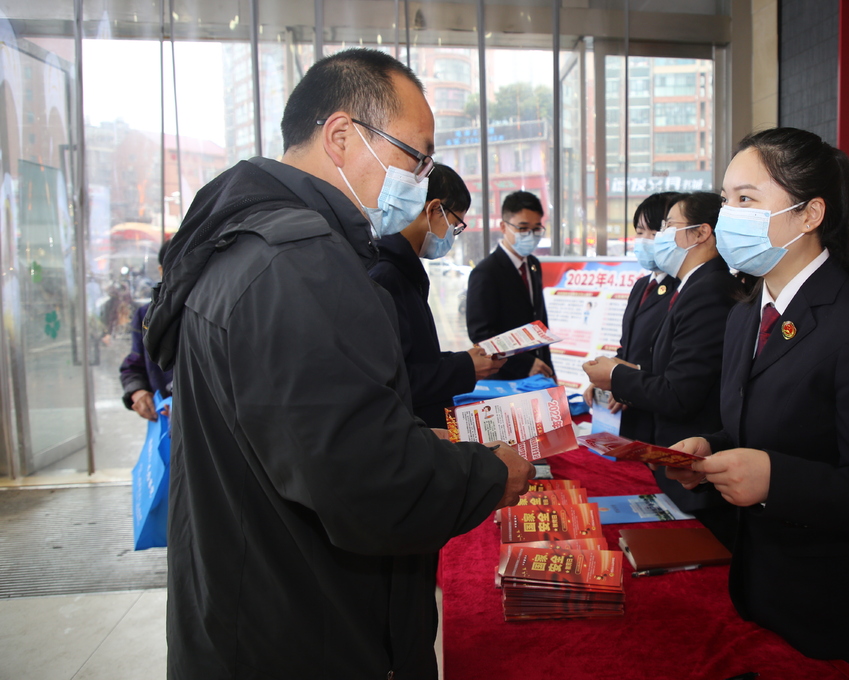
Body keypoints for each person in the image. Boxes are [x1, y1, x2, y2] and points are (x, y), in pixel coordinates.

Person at [142, 48, 534, 680]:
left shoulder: (244, 242)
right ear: (344, 136)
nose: (421, 177)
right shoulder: (299, 263)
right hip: (306, 633)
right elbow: (364, 483)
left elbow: (304, 435)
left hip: (250, 613)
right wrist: (486, 475)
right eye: (417, 155)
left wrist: (407, 438)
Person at [667, 127, 849, 680]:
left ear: (809, 216)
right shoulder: (745, 315)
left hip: (844, 615)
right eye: (726, 198)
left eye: (746, 200)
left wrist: (774, 479)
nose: (728, 215)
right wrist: (710, 447)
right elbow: (769, 425)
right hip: (762, 591)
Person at [582, 191, 741, 544]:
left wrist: (616, 376)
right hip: (673, 455)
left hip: (693, 462)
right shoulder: (692, 286)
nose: (659, 236)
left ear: (701, 233)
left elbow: (680, 392)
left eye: (668, 225)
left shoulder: (709, 288)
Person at [368, 162, 506, 428]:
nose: (450, 236)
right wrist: (465, 368)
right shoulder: (387, 275)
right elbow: (397, 381)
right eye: (454, 226)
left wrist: (463, 359)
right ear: (433, 209)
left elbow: (416, 356)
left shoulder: (405, 270)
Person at [583, 192, 680, 443]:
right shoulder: (641, 286)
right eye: (639, 232)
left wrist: (622, 382)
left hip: (658, 419)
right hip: (625, 415)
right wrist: (605, 380)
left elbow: (670, 366)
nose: (644, 240)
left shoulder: (683, 289)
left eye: (654, 233)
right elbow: (627, 349)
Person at [466, 190, 554, 380]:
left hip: (538, 374)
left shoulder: (533, 265)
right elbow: (481, 335)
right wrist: (526, 364)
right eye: (523, 228)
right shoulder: (486, 272)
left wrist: (549, 371)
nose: (530, 235)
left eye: (536, 228)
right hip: (503, 377)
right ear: (504, 227)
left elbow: (539, 322)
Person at [119, 238, 173, 420]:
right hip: (166, 428)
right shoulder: (146, 317)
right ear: (161, 271)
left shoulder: (217, 314)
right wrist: (138, 392)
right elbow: (133, 367)